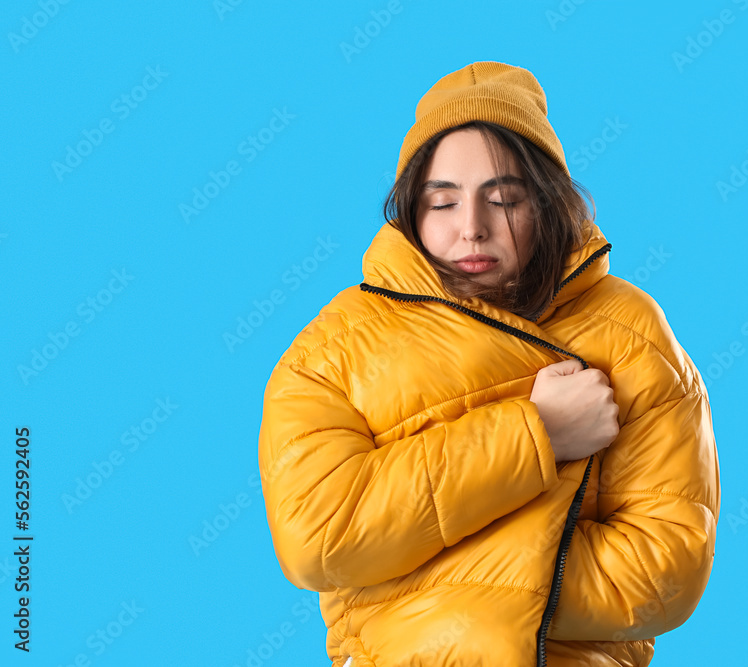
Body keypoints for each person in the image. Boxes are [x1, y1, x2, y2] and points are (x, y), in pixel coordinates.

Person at [258, 60, 721, 666]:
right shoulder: (334, 349)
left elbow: (665, 571)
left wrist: (412, 571)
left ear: (547, 205)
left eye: (502, 200)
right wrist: (538, 434)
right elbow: (318, 540)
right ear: (411, 212)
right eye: (443, 203)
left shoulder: (628, 330)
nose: (472, 229)